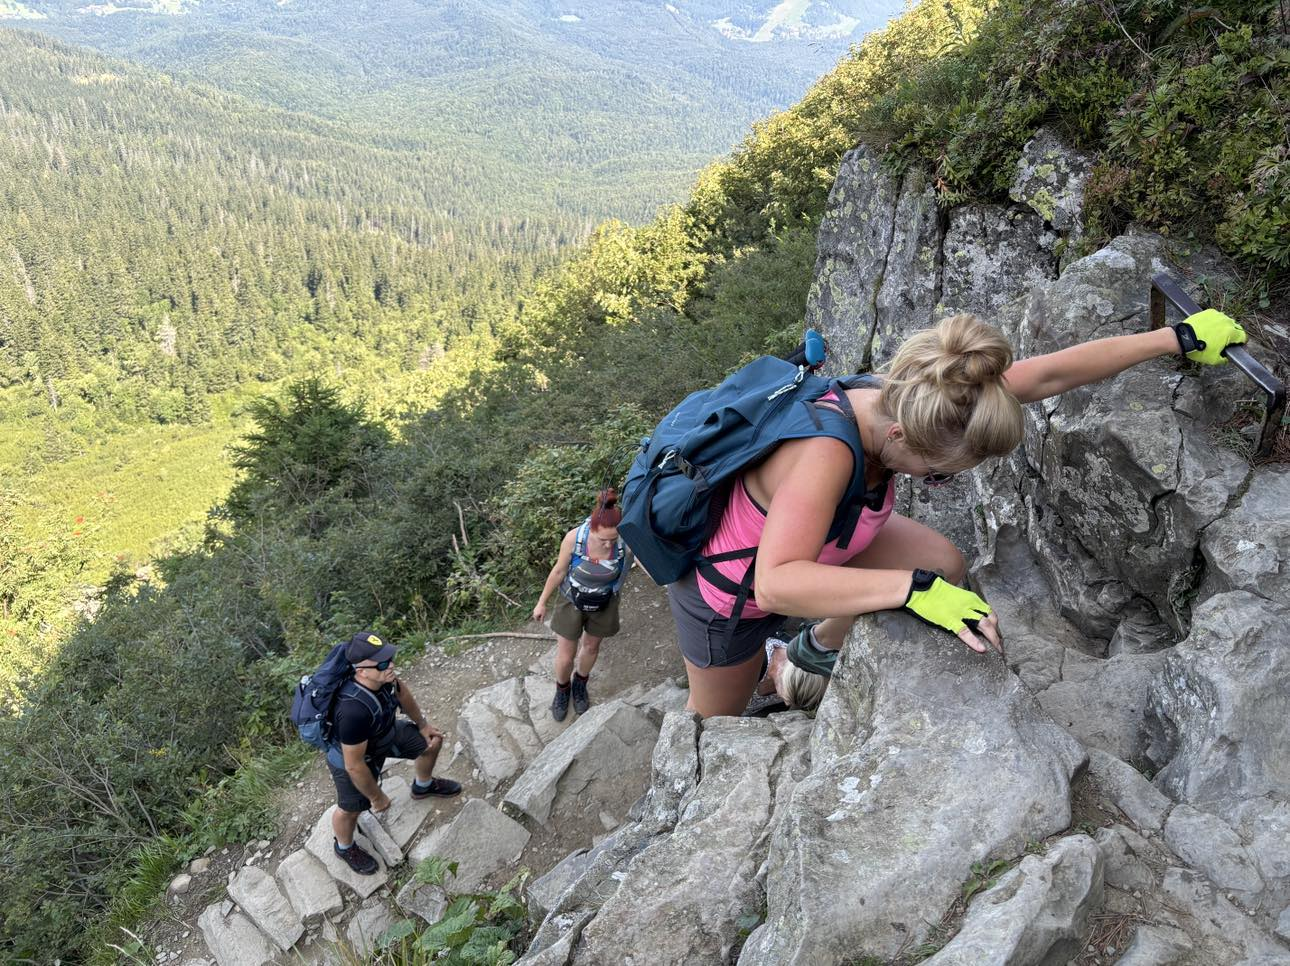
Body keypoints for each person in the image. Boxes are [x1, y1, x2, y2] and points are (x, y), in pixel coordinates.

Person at [668, 310, 1248, 718]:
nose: (938, 480)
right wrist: (912, 591)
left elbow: (1049, 374)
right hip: (734, 596)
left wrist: (1174, 338)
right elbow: (776, 584)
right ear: (900, 435)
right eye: (938, 472)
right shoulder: (822, 455)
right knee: (717, 720)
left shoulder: (938, 396)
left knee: (940, 559)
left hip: (824, 540)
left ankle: (809, 653)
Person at [329, 631, 461, 875]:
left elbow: (403, 694)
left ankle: (423, 785)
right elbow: (354, 766)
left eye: (389, 658)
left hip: (382, 734)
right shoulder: (352, 711)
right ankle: (344, 846)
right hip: (355, 758)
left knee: (432, 742)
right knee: (350, 809)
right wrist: (377, 796)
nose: (390, 665)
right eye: (381, 663)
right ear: (361, 671)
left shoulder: (383, 678)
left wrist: (422, 726)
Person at [532, 489, 634, 720]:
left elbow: (643, 560)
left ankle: (580, 684)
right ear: (592, 529)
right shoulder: (574, 538)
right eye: (602, 540)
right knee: (566, 655)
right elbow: (558, 571)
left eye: (613, 539)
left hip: (605, 600)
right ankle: (562, 689)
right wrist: (541, 603)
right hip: (571, 599)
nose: (608, 545)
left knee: (591, 647)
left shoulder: (625, 540)